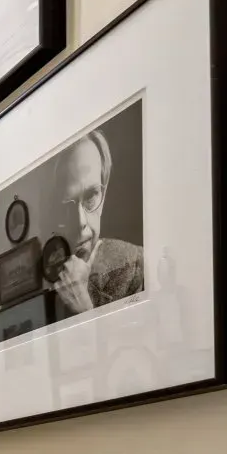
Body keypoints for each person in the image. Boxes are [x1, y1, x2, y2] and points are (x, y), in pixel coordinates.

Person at [49, 129, 144, 315]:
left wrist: (83, 309)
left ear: (104, 193)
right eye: (66, 206)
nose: (80, 222)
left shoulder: (136, 264)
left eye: (91, 195)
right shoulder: (50, 280)